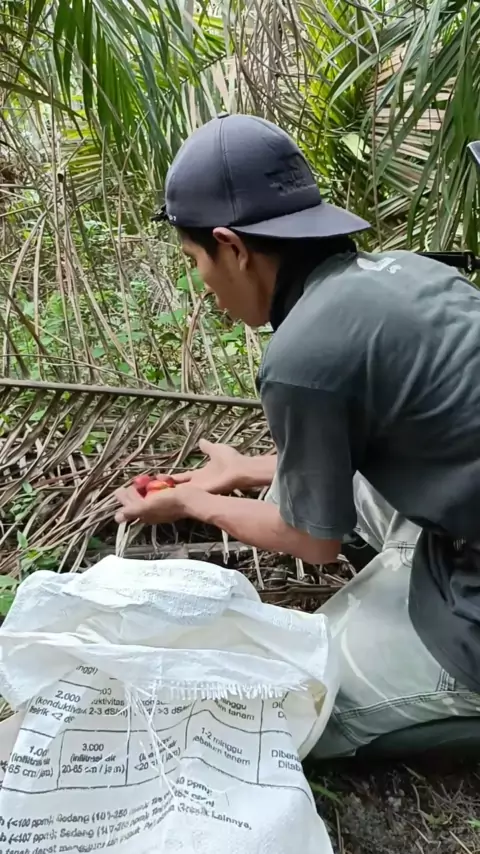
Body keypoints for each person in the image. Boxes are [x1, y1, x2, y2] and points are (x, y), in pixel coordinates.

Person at [115, 114, 480, 758]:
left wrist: (195, 501)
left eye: (194, 261)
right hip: (458, 514)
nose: (203, 286)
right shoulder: (408, 271)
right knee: (359, 488)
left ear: (232, 247)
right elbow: (395, 429)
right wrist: (245, 470)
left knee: (288, 706)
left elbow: (312, 542)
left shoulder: (303, 354)